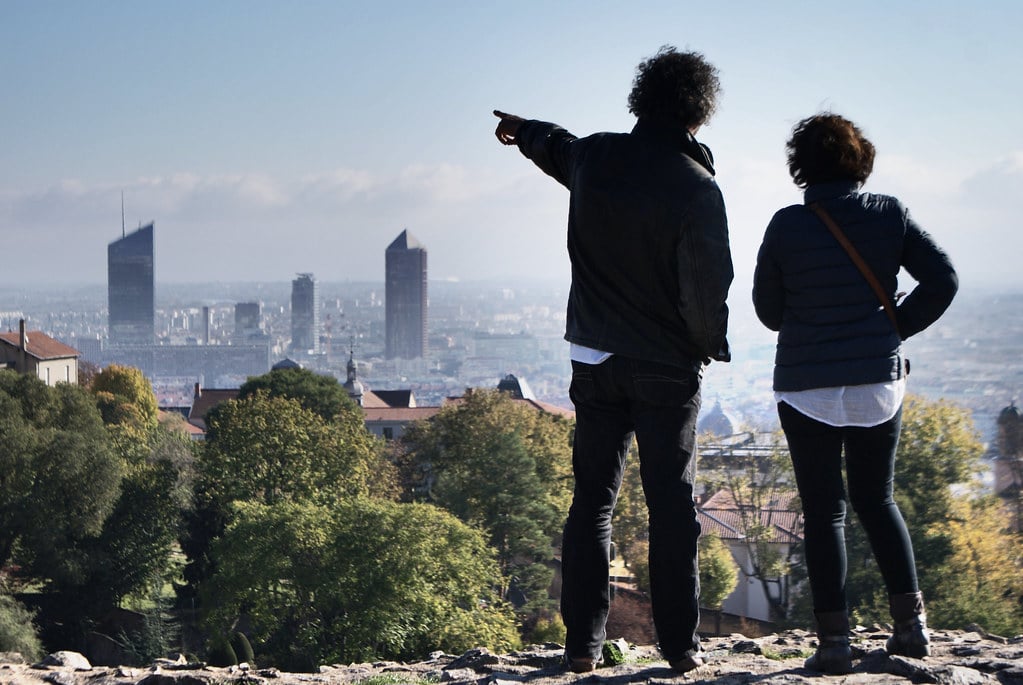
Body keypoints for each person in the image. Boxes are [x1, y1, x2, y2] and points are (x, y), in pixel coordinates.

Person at [493, 46, 732, 674]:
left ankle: (582, 646)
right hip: (665, 367)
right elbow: (708, 290)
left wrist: (522, 129)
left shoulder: (597, 157)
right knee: (671, 506)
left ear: (640, 99)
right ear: (698, 113)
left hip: (594, 358)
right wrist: (709, 346)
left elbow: (558, 146)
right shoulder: (698, 187)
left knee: (591, 503)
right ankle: (680, 647)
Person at [753, 113, 958, 674]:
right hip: (876, 381)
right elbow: (943, 279)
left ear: (801, 164)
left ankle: (834, 643)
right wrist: (894, 328)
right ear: (859, 161)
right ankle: (911, 628)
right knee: (878, 499)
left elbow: (768, 312)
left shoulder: (785, 225)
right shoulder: (889, 214)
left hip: (806, 384)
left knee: (824, 513)